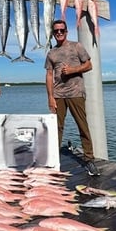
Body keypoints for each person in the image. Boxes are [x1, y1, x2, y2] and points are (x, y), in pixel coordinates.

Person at [44, 19, 100, 176]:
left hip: (76, 93)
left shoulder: (77, 46)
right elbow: (49, 75)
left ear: (66, 31)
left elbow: (89, 65)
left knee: (82, 126)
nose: (59, 33)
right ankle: (54, 160)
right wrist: (50, 97)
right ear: (53, 34)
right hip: (58, 95)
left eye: (62, 30)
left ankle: (89, 160)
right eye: (56, 31)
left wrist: (73, 70)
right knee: (56, 128)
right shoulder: (51, 53)